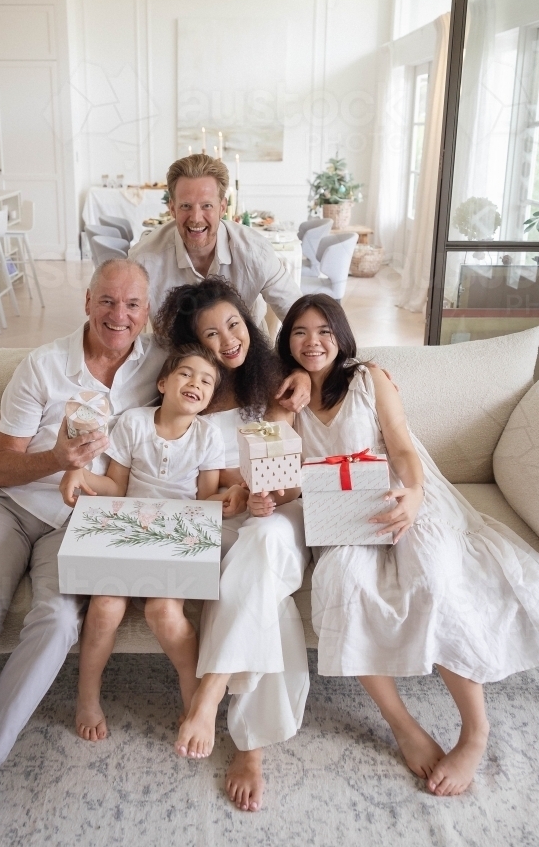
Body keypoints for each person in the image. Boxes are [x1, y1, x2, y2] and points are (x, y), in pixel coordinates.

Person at [0, 259, 169, 847]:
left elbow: (219, 372)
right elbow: (0, 465)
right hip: (10, 504)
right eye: (107, 301)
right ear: (87, 300)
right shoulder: (43, 366)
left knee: (54, 623)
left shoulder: (156, 366)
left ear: (146, 312)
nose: (118, 316)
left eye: (132, 306)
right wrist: (58, 459)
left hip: (79, 521)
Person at [281, 293, 539, 796]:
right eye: (300, 333)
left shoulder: (368, 378)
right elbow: (283, 473)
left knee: (434, 576)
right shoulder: (284, 395)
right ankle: (403, 725)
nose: (313, 343)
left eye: (324, 332)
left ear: (341, 336)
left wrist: (415, 496)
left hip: (402, 490)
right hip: (338, 513)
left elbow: (400, 444)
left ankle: (475, 730)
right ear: (286, 340)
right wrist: (280, 407)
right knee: (340, 585)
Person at [153, 277, 310, 812]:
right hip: (225, 521)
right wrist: (240, 494)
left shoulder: (277, 385)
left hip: (278, 521)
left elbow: (287, 484)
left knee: (263, 541)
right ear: (196, 345)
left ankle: (210, 694)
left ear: (250, 321)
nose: (229, 341)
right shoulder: (194, 392)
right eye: (212, 335)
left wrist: (267, 493)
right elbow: (208, 487)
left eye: (235, 324)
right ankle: (251, 747)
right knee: (255, 583)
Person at [61, 343, 232, 742]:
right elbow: (114, 486)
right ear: (164, 382)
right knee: (103, 608)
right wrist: (81, 475)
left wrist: (229, 498)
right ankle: (88, 696)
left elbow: (206, 500)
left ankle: (192, 695)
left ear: (208, 399)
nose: (196, 383)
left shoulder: (208, 435)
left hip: (174, 538)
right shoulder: (135, 422)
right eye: (187, 374)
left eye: (207, 381)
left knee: (165, 615)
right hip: (127, 532)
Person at [128, 153, 302, 325]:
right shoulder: (143, 260)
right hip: (175, 351)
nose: (196, 218)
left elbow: (299, 317)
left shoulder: (256, 251)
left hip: (247, 348)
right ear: (172, 209)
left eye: (207, 206)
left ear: (223, 208)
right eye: (186, 206)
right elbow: (123, 325)